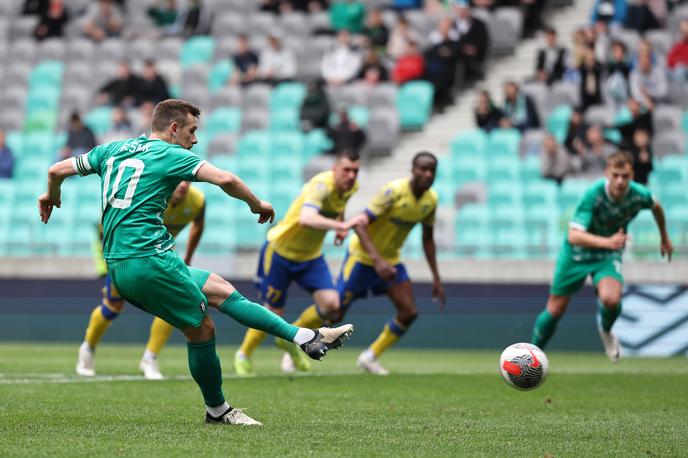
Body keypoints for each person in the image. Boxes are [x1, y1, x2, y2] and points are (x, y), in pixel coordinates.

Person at [39, 99, 354, 425]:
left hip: (125, 263)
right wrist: (257, 204)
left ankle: (306, 337)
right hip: (148, 262)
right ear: (173, 128)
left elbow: (55, 170)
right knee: (202, 329)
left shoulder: (113, 149)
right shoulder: (170, 154)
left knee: (220, 289)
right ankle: (218, 410)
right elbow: (226, 180)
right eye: (192, 131)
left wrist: (52, 194)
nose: (195, 139)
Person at [530, 151, 672, 362]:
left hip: (606, 255)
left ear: (632, 174)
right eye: (615, 175)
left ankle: (606, 331)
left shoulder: (639, 194)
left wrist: (664, 238)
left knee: (611, 299)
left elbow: (657, 207)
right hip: (576, 254)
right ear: (607, 173)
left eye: (625, 176)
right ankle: (531, 354)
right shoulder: (593, 194)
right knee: (555, 309)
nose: (620, 181)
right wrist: (608, 241)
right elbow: (574, 235)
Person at [235, 150, 364, 376]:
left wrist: (340, 223)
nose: (352, 175)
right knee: (272, 311)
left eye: (355, 171)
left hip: (311, 257)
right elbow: (307, 218)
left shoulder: (351, 187)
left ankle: (292, 338)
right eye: (347, 170)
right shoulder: (320, 185)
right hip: (280, 252)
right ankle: (244, 354)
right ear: (334, 170)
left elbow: (339, 206)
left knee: (333, 306)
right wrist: (339, 227)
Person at [76, 181, 206, 380]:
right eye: (178, 179)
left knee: (172, 303)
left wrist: (188, 255)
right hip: (128, 253)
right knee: (112, 307)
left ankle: (150, 358)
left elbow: (198, 223)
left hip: (160, 256)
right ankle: (87, 348)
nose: (182, 185)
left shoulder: (197, 201)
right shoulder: (150, 191)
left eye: (187, 179)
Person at [335, 152, 446, 375]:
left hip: (390, 260)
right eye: (423, 169)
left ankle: (370, 357)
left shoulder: (430, 200)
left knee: (409, 311)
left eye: (432, 170)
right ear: (412, 170)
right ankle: (294, 343)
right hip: (362, 257)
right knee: (334, 312)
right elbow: (359, 225)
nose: (428, 174)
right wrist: (377, 261)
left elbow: (427, 238)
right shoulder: (393, 192)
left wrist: (436, 277)